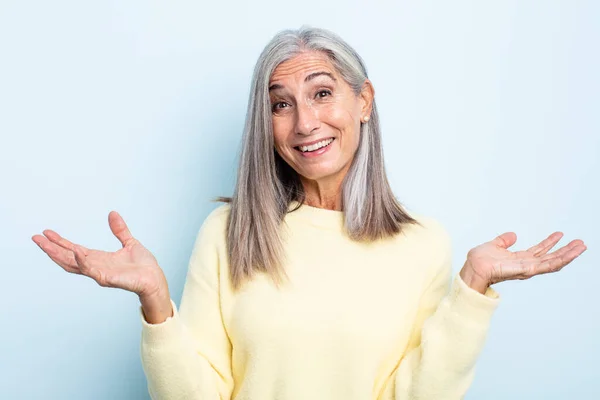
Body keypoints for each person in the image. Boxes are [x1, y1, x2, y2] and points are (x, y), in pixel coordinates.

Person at [32, 26, 587, 400]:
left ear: (363, 101)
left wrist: (472, 287)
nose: (304, 123)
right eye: (281, 104)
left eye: (322, 93)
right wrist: (156, 301)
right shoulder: (228, 233)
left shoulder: (423, 244)